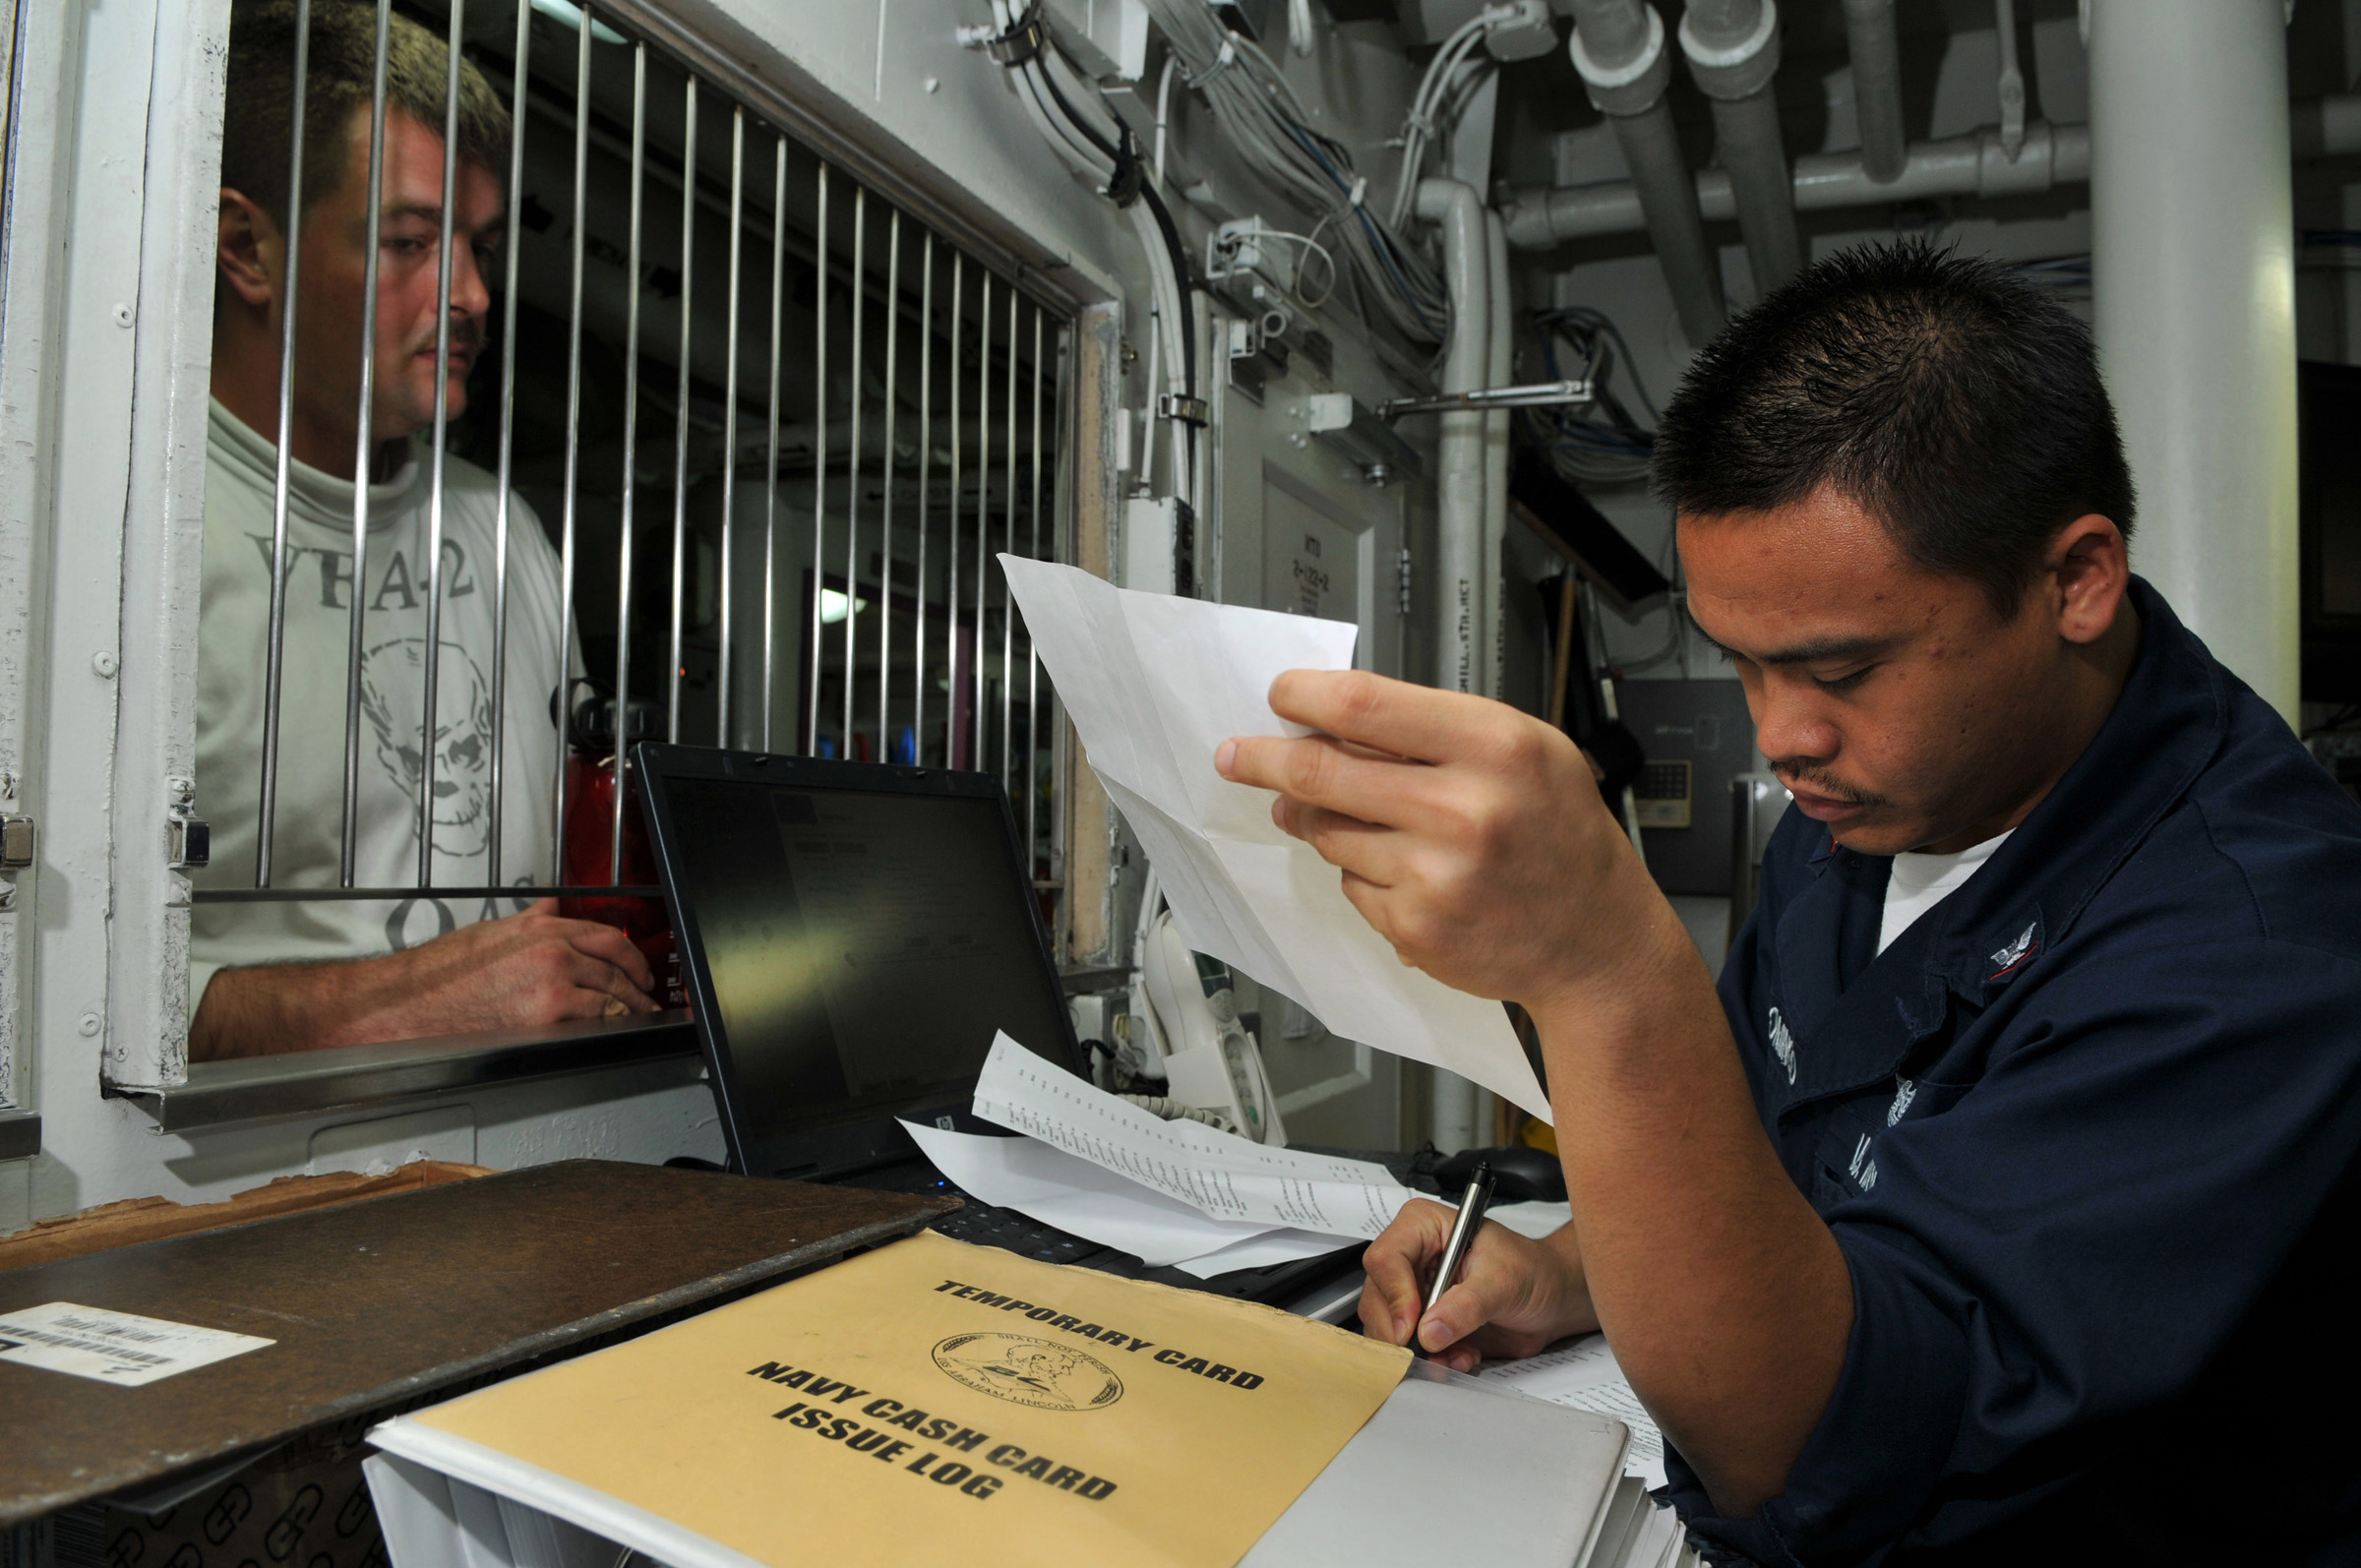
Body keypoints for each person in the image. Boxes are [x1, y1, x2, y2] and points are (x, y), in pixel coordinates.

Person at [1217, 241, 2361, 1562]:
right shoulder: (1884, 795)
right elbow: (1776, 1159)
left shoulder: (2261, 942)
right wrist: (1567, 1271)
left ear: (2075, 582)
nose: (1782, 739)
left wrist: (1609, 970)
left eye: (1843, 669)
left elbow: (1818, 1448)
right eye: (1743, 663)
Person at [191, 0, 655, 1060]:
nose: (474, 294)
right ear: (247, 248)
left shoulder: (503, 529)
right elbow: (45, 996)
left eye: (480, 248)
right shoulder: (124, 543)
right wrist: (391, 1006)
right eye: (409, 241)